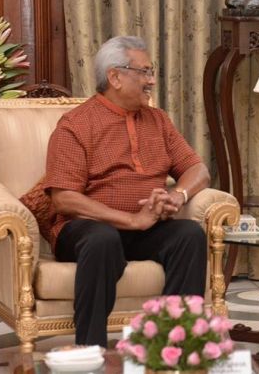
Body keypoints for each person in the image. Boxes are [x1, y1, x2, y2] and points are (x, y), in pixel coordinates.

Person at [44, 36, 211, 347]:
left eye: (152, 72)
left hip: (145, 228)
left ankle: (176, 348)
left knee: (189, 235)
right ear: (115, 76)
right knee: (103, 239)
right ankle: (91, 350)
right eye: (143, 72)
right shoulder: (76, 124)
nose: (151, 81)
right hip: (85, 230)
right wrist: (131, 219)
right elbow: (63, 197)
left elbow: (198, 169)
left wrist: (177, 197)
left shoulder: (158, 120)